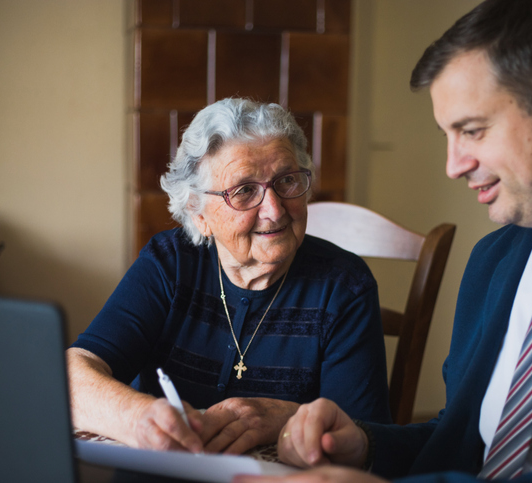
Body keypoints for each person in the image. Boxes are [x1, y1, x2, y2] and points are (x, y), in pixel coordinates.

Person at [235, 0, 532, 481]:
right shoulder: (494, 259)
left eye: (472, 130)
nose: (453, 165)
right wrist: (364, 446)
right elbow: (463, 442)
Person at [67, 98, 391, 456]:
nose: (274, 209)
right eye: (244, 190)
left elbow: (364, 439)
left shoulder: (344, 287)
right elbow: (73, 376)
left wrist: (289, 418)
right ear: (198, 212)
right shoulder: (170, 263)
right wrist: (137, 418)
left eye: (286, 180)